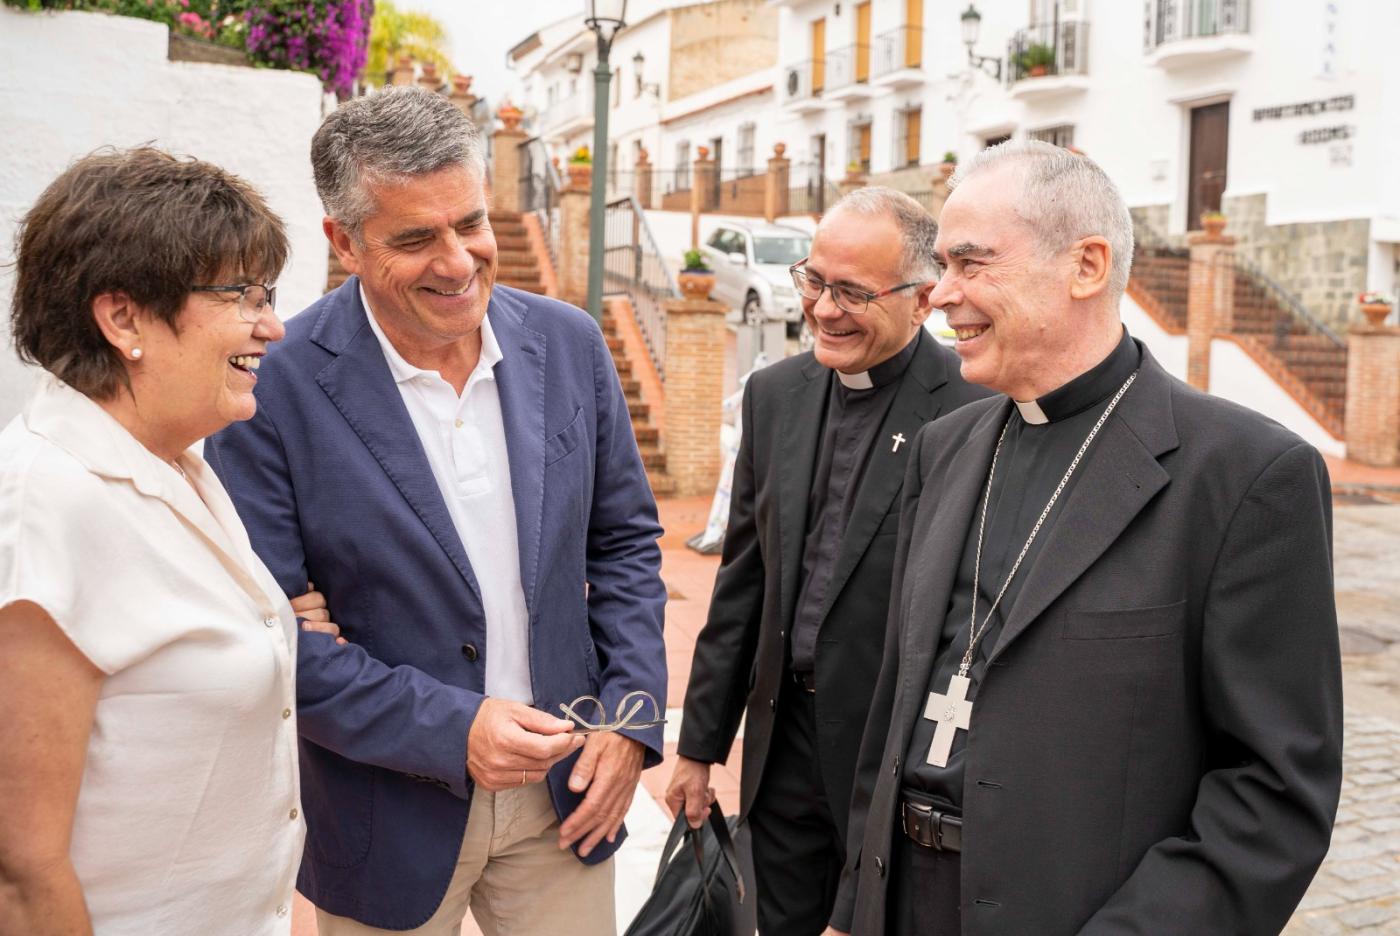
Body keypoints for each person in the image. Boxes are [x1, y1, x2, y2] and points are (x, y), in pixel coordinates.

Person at [828, 140, 1342, 935]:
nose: (939, 295)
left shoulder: (1247, 475)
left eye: (970, 264)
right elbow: (896, 703)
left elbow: (1272, 794)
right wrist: (853, 908)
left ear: (1087, 266)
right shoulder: (948, 448)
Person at [207, 87, 667, 936]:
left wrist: (632, 718)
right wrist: (456, 729)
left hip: (566, 799)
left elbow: (627, 544)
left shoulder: (569, 343)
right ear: (342, 242)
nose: (458, 262)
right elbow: (267, 638)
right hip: (385, 813)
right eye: (415, 238)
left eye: (471, 223)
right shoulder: (272, 384)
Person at [0, 147, 341, 934]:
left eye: (269, 292)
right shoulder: (45, 506)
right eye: (240, 295)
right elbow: (22, 871)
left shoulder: (179, 461)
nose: (273, 324)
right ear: (123, 318)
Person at [667, 188, 990, 935]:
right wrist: (698, 748)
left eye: (852, 292)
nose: (823, 309)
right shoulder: (773, 395)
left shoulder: (970, 411)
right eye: (813, 281)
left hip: (890, 759)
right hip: (781, 744)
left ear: (922, 299)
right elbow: (742, 583)